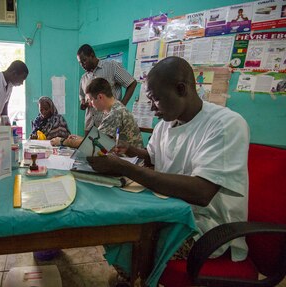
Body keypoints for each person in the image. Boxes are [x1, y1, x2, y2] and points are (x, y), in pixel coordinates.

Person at [87, 56, 249, 286]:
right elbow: (154, 155)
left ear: (181, 89)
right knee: (115, 221)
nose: (152, 108)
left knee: (136, 238)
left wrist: (126, 168)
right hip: (170, 210)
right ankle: (132, 275)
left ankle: (137, 277)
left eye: (155, 100)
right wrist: (131, 151)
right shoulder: (166, 124)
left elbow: (202, 193)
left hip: (205, 227)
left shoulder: (225, 125)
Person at [51, 77, 142, 149]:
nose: (89, 103)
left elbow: (92, 145)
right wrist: (79, 139)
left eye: (90, 99)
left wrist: (62, 141)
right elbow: (99, 140)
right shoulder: (114, 107)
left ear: (100, 97)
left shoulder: (115, 113)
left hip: (130, 163)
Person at [77, 44, 137, 134]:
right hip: (90, 121)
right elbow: (82, 96)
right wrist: (83, 102)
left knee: (106, 146)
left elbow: (131, 83)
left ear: (92, 55)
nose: (82, 65)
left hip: (109, 118)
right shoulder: (84, 78)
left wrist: (121, 106)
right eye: (80, 63)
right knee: (88, 146)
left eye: (84, 61)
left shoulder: (112, 67)